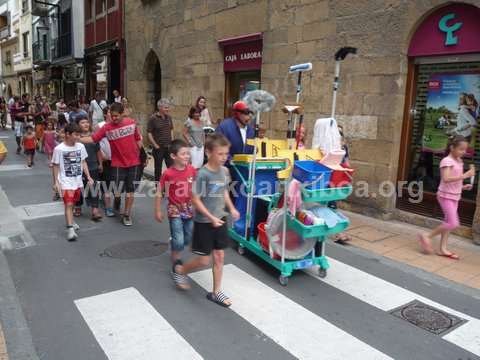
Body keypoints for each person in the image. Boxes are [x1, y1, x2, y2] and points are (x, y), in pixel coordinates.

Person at [172, 134, 240, 308]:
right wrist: (211, 218)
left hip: (220, 218)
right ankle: (181, 270)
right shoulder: (203, 174)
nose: (224, 157)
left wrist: (231, 209)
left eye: (226, 154)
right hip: (204, 222)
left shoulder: (224, 171)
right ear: (209, 152)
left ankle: (216, 292)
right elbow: (195, 199)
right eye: (220, 154)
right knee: (203, 261)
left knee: (219, 256)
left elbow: (224, 191)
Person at [82, 102, 143, 226]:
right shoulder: (107, 128)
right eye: (112, 115)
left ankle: (126, 214)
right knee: (116, 189)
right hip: (117, 163)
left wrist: (143, 155)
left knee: (131, 190)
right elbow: (93, 139)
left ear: (122, 114)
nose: (114, 118)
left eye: (116, 116)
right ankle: (117, 198)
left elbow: (138, 139)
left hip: (134, 162)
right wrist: (77, 139)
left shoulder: (131, 123)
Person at [418, 135, 475, 259]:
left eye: (465, 149)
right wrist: (465, 175)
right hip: (445, 196)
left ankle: (442, 249)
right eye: (461, 149)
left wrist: (463, 187)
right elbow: (446, 179)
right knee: (453, 223)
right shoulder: (447, 161)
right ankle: (427, 236)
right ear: (451, 148)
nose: (463, 152)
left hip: (455, 196)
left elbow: (455, 181)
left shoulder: (459, 161)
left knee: (448, 222)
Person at [155, 139, 196, 264]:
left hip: (189, 208)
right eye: (183, 154)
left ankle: (174, 242)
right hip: (174, 208)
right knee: (179, 239)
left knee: (188, 237)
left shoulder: (192, 170)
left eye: (188, 153)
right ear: (173, 156)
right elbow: (159, 191)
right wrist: (157, 210)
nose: (187, 156)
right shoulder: (168, 174)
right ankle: (176, 262)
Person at [52, 123, 93, 241]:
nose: (78, 137)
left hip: (77, 181)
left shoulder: (80, 147)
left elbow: (83, 162)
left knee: (74, 202)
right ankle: (70, 229)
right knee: (68, 204)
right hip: (65, 181)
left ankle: (71, 221)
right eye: (75, 134)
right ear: (67, 134)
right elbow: (55, 166)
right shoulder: (59, 149)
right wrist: (56, 182)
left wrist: (88, 176)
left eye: (79, 134)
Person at [74, 115, 103, 221]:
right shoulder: (75, 138)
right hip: (77, 167)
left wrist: (100, 164)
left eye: (87, 122)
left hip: (93, 166)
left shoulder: (93, 137)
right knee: (77, 188)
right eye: (82, 122)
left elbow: (98, 151)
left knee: (94, 187)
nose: (86, 124)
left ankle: (95, 209)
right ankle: (78, 205)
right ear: (77, 125)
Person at [147, 98, 174, 183]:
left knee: (171, 167)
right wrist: (155, 145)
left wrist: (172, 141)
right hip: (159, 148)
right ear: (160, 108)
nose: (168, 109)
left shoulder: (169, 117)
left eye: (168, 107)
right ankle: (158, 187)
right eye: (166, 107)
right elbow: (149, 132)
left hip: (168, 147)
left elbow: (171, 129)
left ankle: (170, 186)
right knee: (158, 169)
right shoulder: (153, 118)